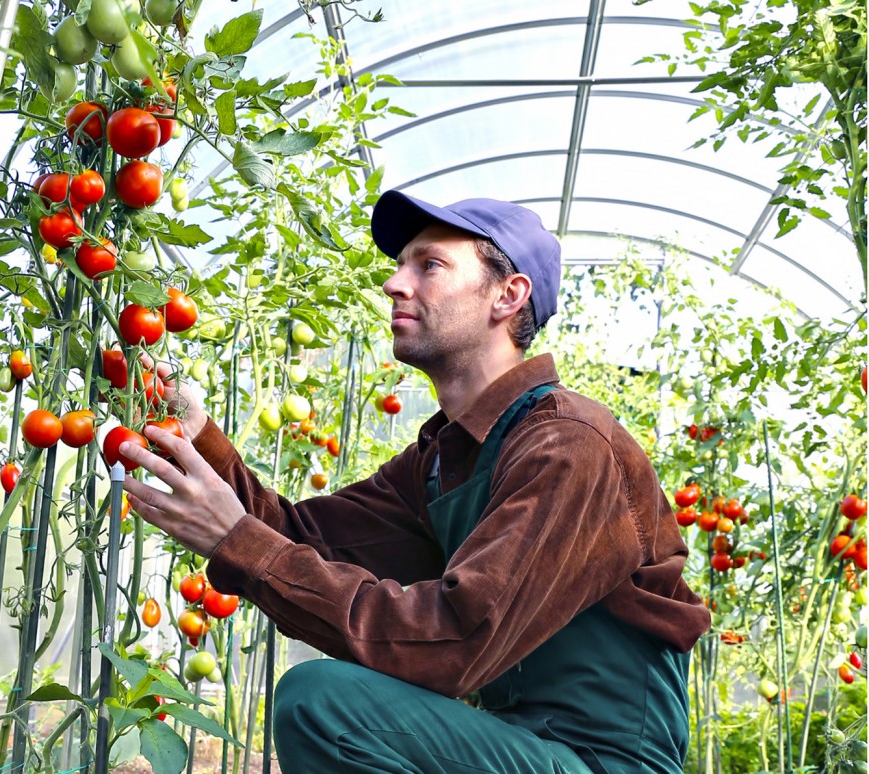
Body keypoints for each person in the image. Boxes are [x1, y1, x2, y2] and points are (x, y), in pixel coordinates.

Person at [115, 191, 712, 773]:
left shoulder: (568, 444)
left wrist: (239, 541)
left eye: (429, 265)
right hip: (514, 744)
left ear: (508, 295)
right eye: (401, 266)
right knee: (327, 700)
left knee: (324, 703)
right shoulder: (445, 457)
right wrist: (200, 440)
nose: (395, 283)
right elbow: (297, 537)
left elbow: (459, 639)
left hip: (597, 761)